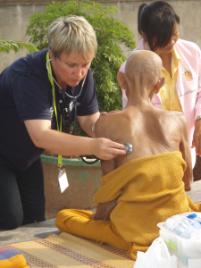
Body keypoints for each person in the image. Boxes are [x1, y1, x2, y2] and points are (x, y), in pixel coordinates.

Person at [56, 50, 201, 260]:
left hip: (132, 231)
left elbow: (108, 195)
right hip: (175, 223)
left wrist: (99, 220)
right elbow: (187, 182)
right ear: (159, 84)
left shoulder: (106, 123)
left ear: (121, 79)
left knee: (65, 217)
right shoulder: (177, 120)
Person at [0, 15, 127, 229]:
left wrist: (114, 135)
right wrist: (93, 146)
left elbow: (89, 120)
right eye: (71, 65)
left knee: (34, 219)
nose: (79, 73)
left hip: (26, 157)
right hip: (4, 153)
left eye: (85, 64)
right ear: (52, 55)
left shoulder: (84, 76)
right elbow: (41, 136)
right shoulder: (27, 76)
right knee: (9, 219)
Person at [117, 1, 201, 178]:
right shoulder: (131, 68)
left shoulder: (192, 52)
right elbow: (134, 117)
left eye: (174, 34)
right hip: (154, 159)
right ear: (145, 36)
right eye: (163, 39)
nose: (171, 42)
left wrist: (200, 118)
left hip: (187, 151)